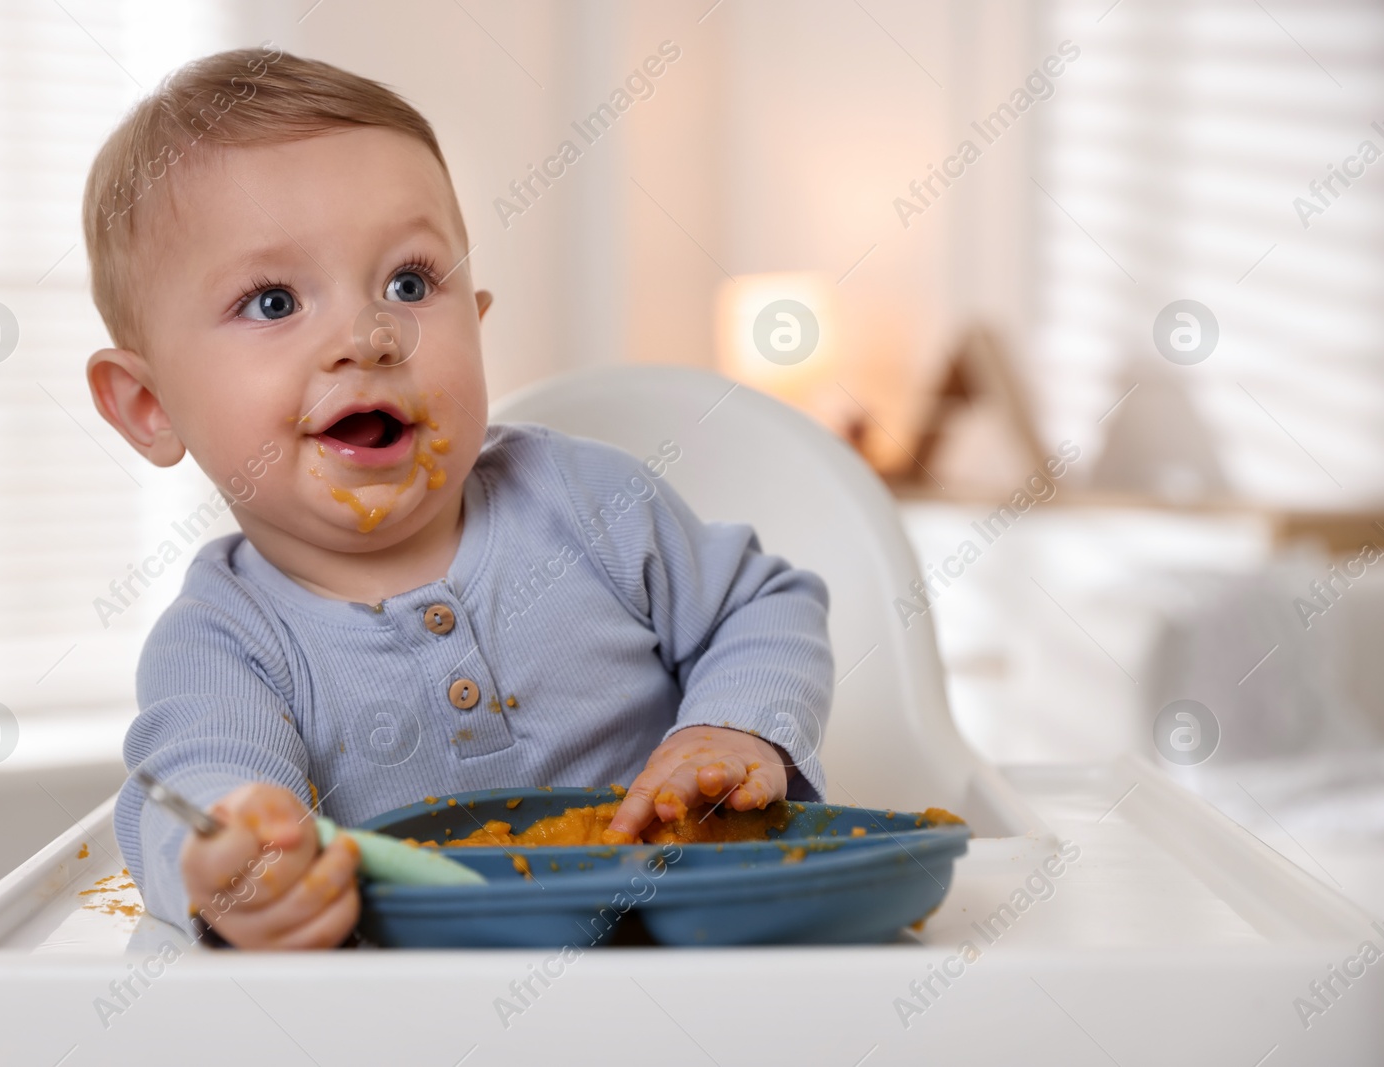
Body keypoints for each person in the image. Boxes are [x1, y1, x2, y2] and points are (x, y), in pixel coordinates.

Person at [82, 45, 833, 948]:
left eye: (408, 283)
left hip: (693, 958)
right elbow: (193, 784)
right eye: (274, 301)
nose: (367, 336)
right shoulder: (225, 640)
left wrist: (733, 729)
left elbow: (764, 606)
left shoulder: (587, 503)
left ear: (475, 326)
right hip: (420, 1018)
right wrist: (239, 870)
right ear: (150, 406)